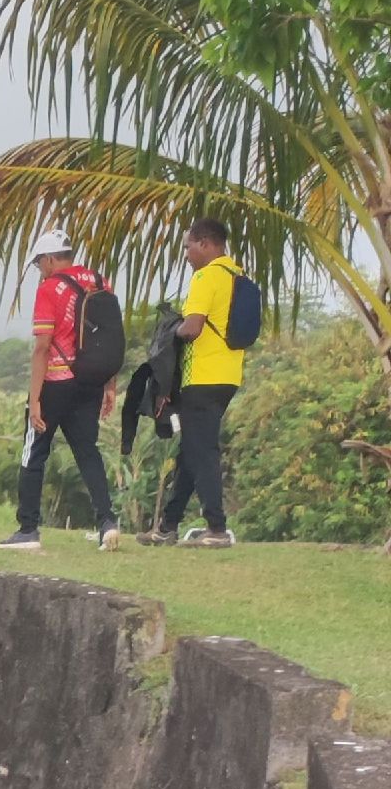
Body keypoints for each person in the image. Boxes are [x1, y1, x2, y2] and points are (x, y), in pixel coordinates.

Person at [1, 230, 121, 552]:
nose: (40, 269)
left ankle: (28, 529)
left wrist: (35, 400)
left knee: (34, 452)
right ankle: (107, 523)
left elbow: (42, 347)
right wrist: (110, 385)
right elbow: (109, 339)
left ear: (51, 259)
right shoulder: (100, 282)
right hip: (90, 382)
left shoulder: (50, 288)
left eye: (39, 263)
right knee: (87, 452)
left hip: (55, 381)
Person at [154, 218, 248, 547]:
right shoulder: (237, 276)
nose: (186, 255)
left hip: (202, 378)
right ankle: (167, 526)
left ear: (205, 244)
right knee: (191, 450)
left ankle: (216, 528)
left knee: (203, 451)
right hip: (228, 376)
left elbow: (192, 328)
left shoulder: (206, 277)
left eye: (188, 247)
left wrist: (170, 331)